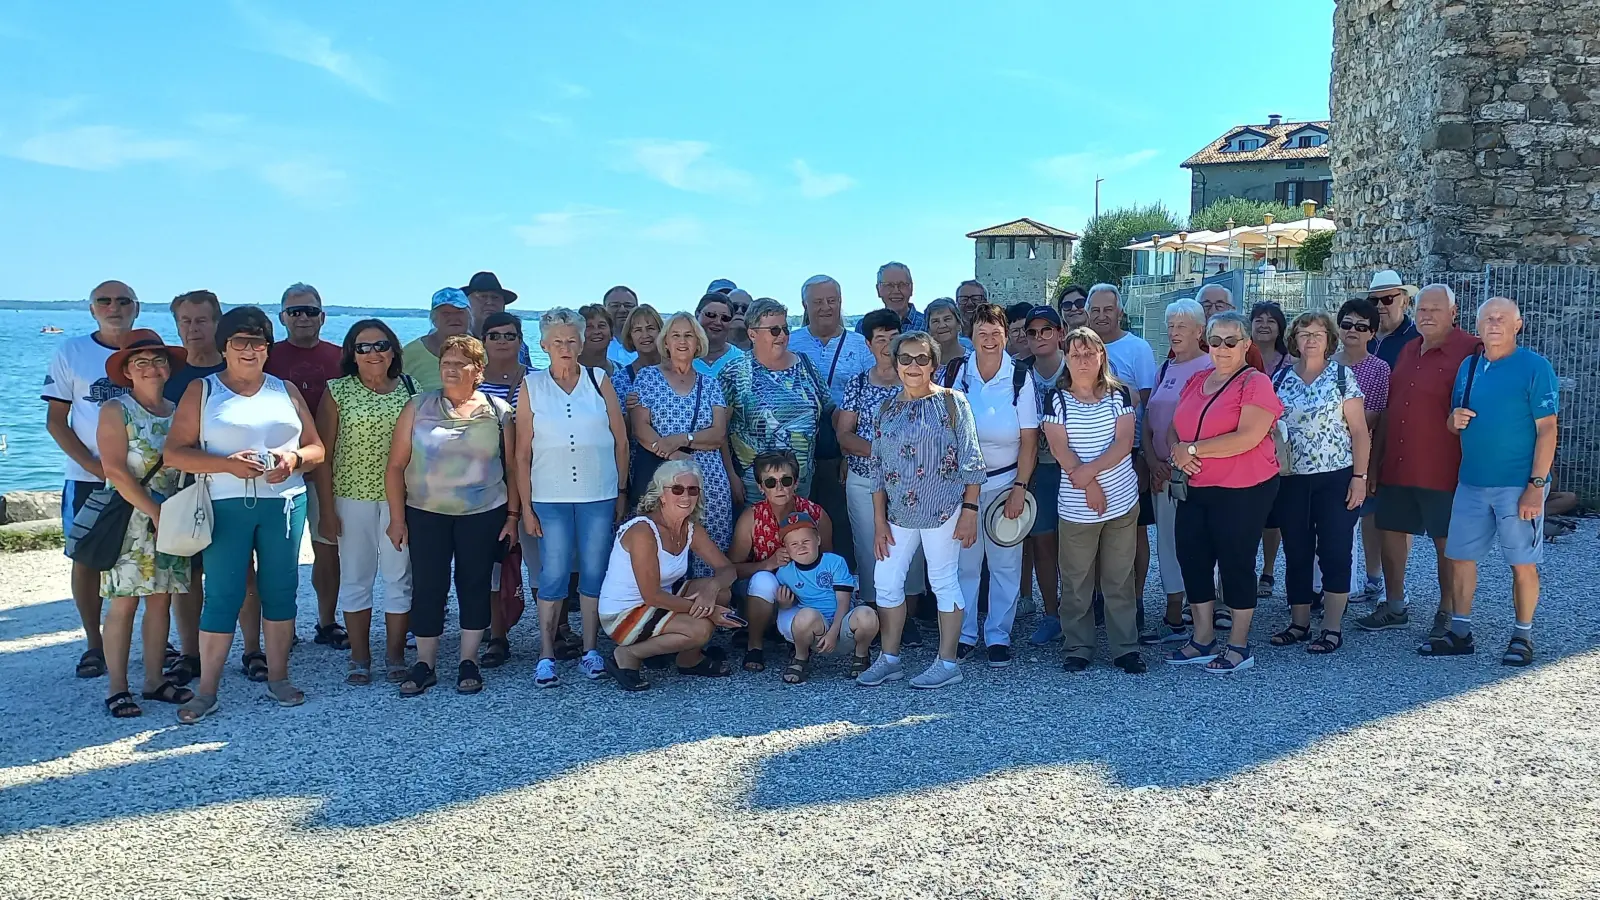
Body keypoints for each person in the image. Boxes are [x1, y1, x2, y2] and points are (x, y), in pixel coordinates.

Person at [166, 306, 326, 722]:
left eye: (258, 342)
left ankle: (278, 678)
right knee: (222, 595)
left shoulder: (285, 390)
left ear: (268, 348)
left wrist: (292, 459)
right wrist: (227, 464)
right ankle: (206, 691)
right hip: (224, 504)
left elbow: (317, 449)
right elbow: (175, 453)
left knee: (280, 590)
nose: (250, 350)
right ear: (224, 346)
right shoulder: (203, 391)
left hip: (284, 503)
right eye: (240, 342)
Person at [384, 334, 518, 698]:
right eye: (446, 363)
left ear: (478, 370)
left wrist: (513, 516)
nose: (451, 369)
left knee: (474, 584)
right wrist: (397, 518)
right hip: (425, 513)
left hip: (483, 512)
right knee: (428, 586)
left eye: (460, 364)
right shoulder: (417, 406)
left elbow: (513, 468)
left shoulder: (498, 410)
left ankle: (468, 661)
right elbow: (396, 466)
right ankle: (425, 663)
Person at [1428, 298, 1558, 666]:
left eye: (1502, 318)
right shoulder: (1469, 367)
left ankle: (1522, 635)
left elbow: (1547, 429)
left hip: (1518, 484)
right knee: (1460, 558)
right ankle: (1460, 632)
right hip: (1471, 481)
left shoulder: (1535, 367)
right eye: (1488, 318)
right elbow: (1454, 423)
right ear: (1478, 325)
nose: (1494, 323)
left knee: (1522, 563)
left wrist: (1536, 484)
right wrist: (1454, 421)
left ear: (1519, 324)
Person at [856, 331, 986, 690]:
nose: (914, 366)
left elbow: (972, 459)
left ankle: (947, 663)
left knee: (943, 581)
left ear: (934, 363)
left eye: (922, 359)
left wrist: (970, 510)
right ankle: (890, 658)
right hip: (898, 514)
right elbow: (877, 468)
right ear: (895, 363)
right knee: (885, 582)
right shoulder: (886, 409)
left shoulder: (952, 402)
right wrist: (879, 521)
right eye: (906, 359)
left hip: (943, 509)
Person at [1355, 284, 1481, 637]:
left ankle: (1447, 610)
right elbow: (1390, 411)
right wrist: (1376, 464)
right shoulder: (1409, 350)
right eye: (1423, 309)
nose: (1426, 315)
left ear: (1453, 313)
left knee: (1447, 543)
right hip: (1398, 461)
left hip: (1444, 466)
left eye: (1435, 309)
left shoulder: (1471, 351)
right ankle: (1395, 606)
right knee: (1391, 532)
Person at [1163, 311, 1283, 674]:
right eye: (1215, 341)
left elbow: (1248, 435)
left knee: (1235, 562)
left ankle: (1239, 644)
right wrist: (1178, 453)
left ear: (1246, 344)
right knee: (1193, 558)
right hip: (1196, 487)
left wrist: (1193, 450)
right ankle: (1202, 637)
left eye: (1231, 341)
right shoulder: (1198, 379)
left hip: (1242, 489)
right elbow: (1173, 428)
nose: (1223, 348)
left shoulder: (1255, 382)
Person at [515, 309, 630, 688]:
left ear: (582, 343)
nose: (565, 347)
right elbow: (522, 453)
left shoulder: (600, 381)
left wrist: (621, 490)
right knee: (554, 573)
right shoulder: (531, 386)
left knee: (594, 572)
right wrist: (526, 506)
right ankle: (546, 654)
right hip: (550, 496)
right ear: (544, 345)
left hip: (598, 492)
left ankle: (591, 650)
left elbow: (620, 439)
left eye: (572, 340)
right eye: (557, 341)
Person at [44, 279, 139, 681]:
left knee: (149, 557)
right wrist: (95, 466)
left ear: (136, 307)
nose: (113, 307)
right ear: (92, 309)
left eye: (123, 301)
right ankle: (93, 644)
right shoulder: (72, 352)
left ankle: (157, 640)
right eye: (104, 301)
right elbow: (56, 421)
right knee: (86, 559)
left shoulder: (149, 351)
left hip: (145, 476)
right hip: (88, 477)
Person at [95, 330, 193, 717]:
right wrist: (154, 512)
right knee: (123, 603)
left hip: (174, 516)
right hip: (129, 519)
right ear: (127, 371)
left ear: (168, 368)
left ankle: (154, 680)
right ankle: (118, 686)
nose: (151, 368)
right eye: (141, 362)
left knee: (161, 601)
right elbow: (115, 471)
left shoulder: (178, 410)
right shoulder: (115, 410)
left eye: (157, 360)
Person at [312, 319, 416, 685]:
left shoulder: (410, 389)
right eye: (364, 347)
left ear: (393, 351)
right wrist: (326, 510)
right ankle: (359, 657)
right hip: (349, 498)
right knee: (356, 577)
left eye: (381, 345)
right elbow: (323, 456)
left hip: (398, 500)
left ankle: (395, 655)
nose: (373, 353)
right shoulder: (337, 391)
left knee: (399, 577)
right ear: (352, 354)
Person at [1266, 311, 1370, 656]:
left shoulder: (1343, 377)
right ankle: (1299, 623)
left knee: (1335, 550)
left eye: (1318, 334)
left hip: (1335, 476)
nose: (1310, 340)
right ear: (1293, 339)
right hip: (1292, 479)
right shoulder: (1280, 380)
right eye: (1304, 334)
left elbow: (1359, 431)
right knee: (1296, 550)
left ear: (1329, 340)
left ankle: (1331, 627)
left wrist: (1360, 478)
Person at [1042, 327, 1144, 674]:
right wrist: (1087, 486)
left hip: (1122, 503)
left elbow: (1123, 443)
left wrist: (1090, 475)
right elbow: (1060, 448)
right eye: (1075, 355)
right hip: (1076, 508)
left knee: (1118, 579)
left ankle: (1125, 648)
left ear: (1102, 356)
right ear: (1066, 359)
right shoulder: (1056, 399)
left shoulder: (1119, 395)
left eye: (1089, 353)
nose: (1083, 360)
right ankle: (1078, 647)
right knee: (1076, 581)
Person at [597, 461, 739, 691]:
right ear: (661, 494)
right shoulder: (643, 530)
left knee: (722, 592)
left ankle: (688, 659)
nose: (686, 495)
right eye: (677, 489)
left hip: (657, 601)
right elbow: (651, 595)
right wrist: (709, 610)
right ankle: (627, 654)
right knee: (701, 628)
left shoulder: (689, 527)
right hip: (623, 613)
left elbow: (727, 570)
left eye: (693, 490)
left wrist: (711, 589)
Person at [951, 304, 1038, 666]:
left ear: (1006, 336)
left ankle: (998, 635)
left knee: (1005, 564)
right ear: (971, 336)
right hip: (963, 486)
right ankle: (966, 633)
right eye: (982, 333)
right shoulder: (959, 373)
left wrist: (1020, 487)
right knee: (965, 564)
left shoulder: (1020, 377)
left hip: (1005, 483)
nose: (989, 340)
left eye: (995, 333)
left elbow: (1030, 441)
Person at [837, 310, 929, 640]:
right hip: (865, 480)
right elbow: (844, 434)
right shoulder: (858, 384)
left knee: (914, 551)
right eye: (880, 340)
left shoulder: (919, 385)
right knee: (870, 547)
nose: (888, 346)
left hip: (913, 485)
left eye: (894, 339)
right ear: (868, 344)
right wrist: (881, 452)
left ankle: (909, 619)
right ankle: (877, 618)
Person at [265, 283, 345, 651]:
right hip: (279, 470)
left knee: (327, 547)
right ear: (282, 317)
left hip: (331, 468)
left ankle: (327, 622)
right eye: (294, 311)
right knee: (280, 554)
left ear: (322, 317)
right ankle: (285, 625)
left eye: (309, 311)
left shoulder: (341, 356)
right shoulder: (266, 356)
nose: (302, 317)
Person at [629, 312, 733, 577]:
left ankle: (707, 610)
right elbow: (640, 428)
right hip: (663, 475)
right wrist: (673, 455)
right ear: (665, 342)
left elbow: (718, 434)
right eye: (676, 335)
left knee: (710, 548)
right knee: (665, 546)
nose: (682, 341)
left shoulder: (710, 384)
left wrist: (682, 439)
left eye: (688, 335)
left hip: (708, 477)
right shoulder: (647, 378)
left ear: (698, 342)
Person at [160, 290, 226, 685]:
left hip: (232, 483)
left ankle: (252, 648)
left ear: (217, 323)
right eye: (185, 321)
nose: (193, 328)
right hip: (180, 484)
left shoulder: (234, 371)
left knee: (242, 571)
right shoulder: (168, 374)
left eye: (201, 320)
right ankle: (189, 652)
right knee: (186, 572)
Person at [790, 274, 874, 576]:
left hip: (842, 448)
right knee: (800, 521)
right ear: (804, 305)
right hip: (797, 452)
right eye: (818, 302)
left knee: (844, 522)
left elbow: (870, 398)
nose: (826, 307)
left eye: (832, 301)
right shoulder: (790, 342)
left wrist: (851, 453)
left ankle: (846, 589)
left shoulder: (860, 346)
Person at [472, 310, 542, 668]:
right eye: (495, 335)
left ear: (521, 340)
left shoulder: (538, 380)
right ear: (483, 341)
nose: (502, 341)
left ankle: (551, 633)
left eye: (510, 335)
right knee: (493, 566)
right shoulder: (471, 385)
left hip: (535, 483)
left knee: (541, 562)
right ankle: (497, 637)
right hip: (489, 486)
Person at [1142, 298, 1212, 644]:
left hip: (1195, 472)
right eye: (1171, 326)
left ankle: (1201, 616)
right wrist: (1154, 463)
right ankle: (1173, 617)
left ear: (1200, 331)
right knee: (1167, 543)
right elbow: (1149, 420)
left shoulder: (1212, 367)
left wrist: (1174, 463)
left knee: (1196, 543)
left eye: (1182, 326)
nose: (1174, 332)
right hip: (1161, 472)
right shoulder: (1164, 369)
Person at [1088, 284, 1158, 621]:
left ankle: (1136, 599)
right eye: (1096, 310)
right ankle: (1102, 598)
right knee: (1096, 529)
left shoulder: (1137, 348)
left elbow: (1147, 404)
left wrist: (1144, 455)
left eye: (1108, 310)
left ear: (1119, 312)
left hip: (1129, 454)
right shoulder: (1082, 346)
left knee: (1135, 530)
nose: (1102, 316)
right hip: (1088, 458)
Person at [728, 451, 834, 671]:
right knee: (763, 579)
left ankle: (798, 642)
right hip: (762, 592)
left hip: (806, 590)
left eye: (786, 480)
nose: (779, 488)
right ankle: (754, 645)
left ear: (795, 483)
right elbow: (731, 569)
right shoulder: (751, 518)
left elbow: (829, 564)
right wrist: (766, 564)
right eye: (770, 482)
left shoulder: (816, 514)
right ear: (760, 487)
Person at [719, 297, 831, 505]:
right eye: (774, 330)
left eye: (785, 329)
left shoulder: (806, 364)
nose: (782, 336)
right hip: (755, 484)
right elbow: (720, 431)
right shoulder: (734, 372)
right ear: (752, 334)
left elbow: (829, 407)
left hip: (800, 480)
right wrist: (731, 476)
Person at [747, 512, 879, 683]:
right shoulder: (785, 572)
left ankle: (861, 656)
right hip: (816, 630)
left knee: (868, 615)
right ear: (785, 548)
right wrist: (784, 604)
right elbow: (787, 607)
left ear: (817, 540)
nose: (801, 547)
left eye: (806, 541)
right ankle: (801, 656)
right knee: (804, 615)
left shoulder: (834, 562)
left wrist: (833, 632)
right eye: (794, 544)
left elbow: (843, 601)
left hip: (844, 625)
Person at [1333, 297, 1391, 599]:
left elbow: (1374, 414)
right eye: (1346, 324)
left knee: (1367, 520)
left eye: (1360, 326)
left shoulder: (1379, 369)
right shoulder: (1326, 363)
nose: (1352, 330)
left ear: (1372, 333)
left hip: (1359, 453)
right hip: (1325, 458)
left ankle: (1371, 578)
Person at [1023, 306, 1069, 644]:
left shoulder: (1078, 366)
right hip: (1037, 466)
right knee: (1042, 542)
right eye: (1033, 332)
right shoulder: (1019, 372)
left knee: (1079, 543)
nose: (1040, 337)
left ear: (1060, 332)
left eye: (1046, 330)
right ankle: (1052, 613)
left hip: (1074, 466)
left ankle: (1081, 611)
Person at [1248, 300, 1292, 599]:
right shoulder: (1241, 357)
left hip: (1277, 443)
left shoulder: (1289, 363)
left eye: (1271, 320)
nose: (1264, 325)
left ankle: (1268, 570)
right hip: (1245, 443)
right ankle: (1246, 568)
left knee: (1274, 515)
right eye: (1259, 319)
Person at [402, 288, 472, 393]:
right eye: (446, 313)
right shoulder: (409, 353)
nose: (453, 318)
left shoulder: (480, 351)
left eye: (459, 312)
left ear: (469, 317)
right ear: (434, 319)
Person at [462, 271, 532, 369]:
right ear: (467, 302)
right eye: (483, 297)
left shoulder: (518, 345)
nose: (489, 302)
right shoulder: (457, 342)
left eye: (495, 297)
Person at [1194, 284, 1266, 372]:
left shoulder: (1247, 349)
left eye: (1219, 306)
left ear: (1232, 309)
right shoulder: (1187, 344)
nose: (1213, 311)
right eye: (1206, 305)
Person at [611, 304, 663, 411]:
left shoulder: (678, 370)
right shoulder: (618, 380)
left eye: (650, 328)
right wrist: (630, 411)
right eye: (638, 330)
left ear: (661, 332)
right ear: (630, 337)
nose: (645, 335)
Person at [1366, 269, 1421, 367]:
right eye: (1373, 300)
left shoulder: (1418, 339)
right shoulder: (1361, 334)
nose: (1380, 306)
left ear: (1405, 302)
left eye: (1388, 299)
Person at [860, 261, 926, 334]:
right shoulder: (864, 326)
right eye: (889, 285)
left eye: (902, 284)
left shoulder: (928, 325)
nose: (896, 291)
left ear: (911, 288)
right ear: (878, 289)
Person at [694, 292, 746, 378]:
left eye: (725, 318)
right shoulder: (679, 356)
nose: (718, 322)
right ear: (697, 314)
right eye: (711, 315)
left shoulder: (741, 360)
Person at [602, 285, 641, 366]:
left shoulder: (651, 343)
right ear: (604, 309)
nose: (622, 310)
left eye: (628, 305)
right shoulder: (592, 343)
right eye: (615, 305)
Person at [926, 297, 969, 365]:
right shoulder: (923, 362)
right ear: (929, 330)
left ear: (959, 324)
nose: (942, 325)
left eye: (947, 319)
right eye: (935, 321)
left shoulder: (974, 361)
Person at [577, 304, 618, 377]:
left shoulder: (624, 373)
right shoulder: (564, 374)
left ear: (611, 334)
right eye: (589, 327)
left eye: (601, 326)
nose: (596, 331)